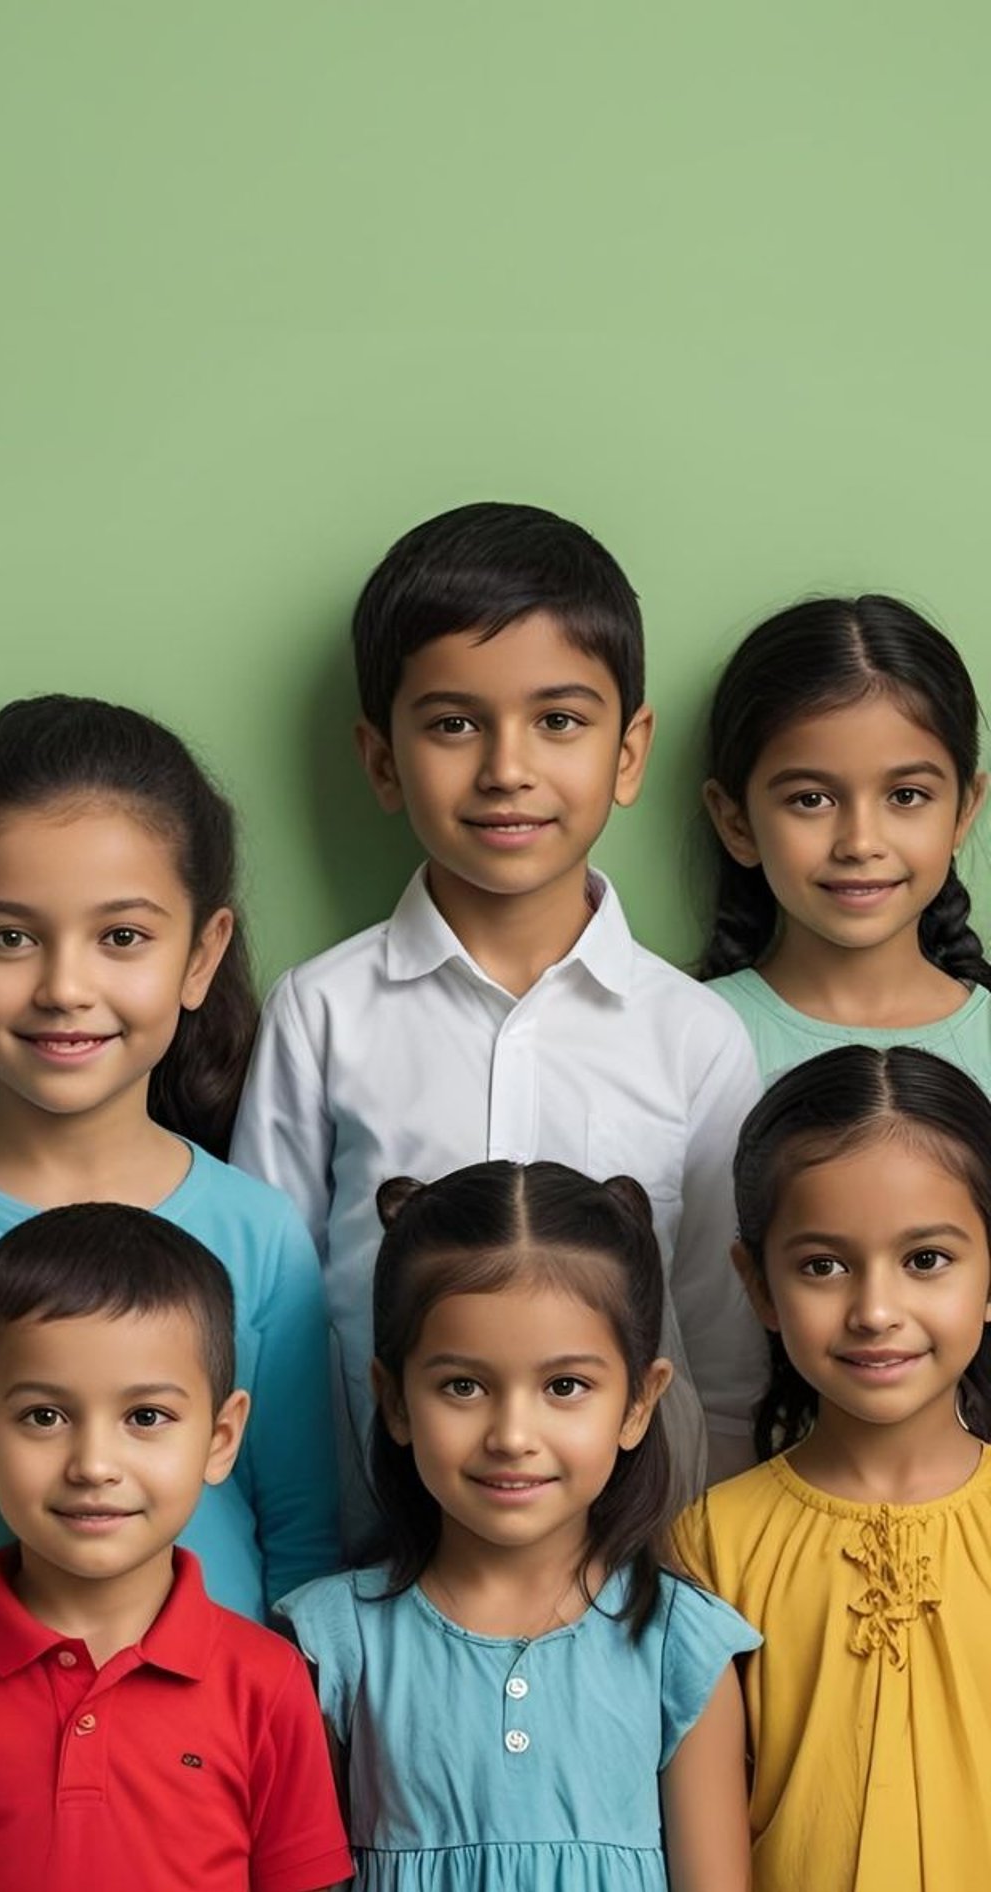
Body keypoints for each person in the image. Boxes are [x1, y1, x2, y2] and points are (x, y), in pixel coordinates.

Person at [233, 501, 765, 1548]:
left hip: (631, 1573)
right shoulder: (321, 1013)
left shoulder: (695, 1037)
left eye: (558, 721)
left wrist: (701, 1579)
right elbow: (269, 1323)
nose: (506, 769)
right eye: (453, 724)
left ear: (629, 751)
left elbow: (728, 1360)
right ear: (381, 759)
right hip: (372, 1566)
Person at [0, 694, 337, 1624]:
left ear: (202, 955)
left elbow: (302, 1535)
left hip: (209, 1715)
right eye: (11, 938)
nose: (65, 988)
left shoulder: (259, 1231)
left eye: (122, 938)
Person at [0, 1204, 351, 1892]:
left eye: (145, 1417)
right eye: (44, 1416)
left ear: (221, 1437)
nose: (94, 1464)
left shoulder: (268, 1685)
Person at [281, 1161, 757, 1892]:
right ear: (394, 1401)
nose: (511, 1435)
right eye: (463, 1386)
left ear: (639, 1404)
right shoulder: (332, 1645)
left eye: (565, 1387)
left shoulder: (682, 1649)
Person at [672, 1046, 991, 1892]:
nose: (875, 1311)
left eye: (926, 1259)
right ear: (759, 1286)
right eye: (823, 1265)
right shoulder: (709, 1547)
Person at [697, 595, 991, 1084]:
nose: (859, 843)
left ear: (963, 813)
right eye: (811, 799)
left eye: (906, 795)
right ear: (737, 823)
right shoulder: (682, 1038)